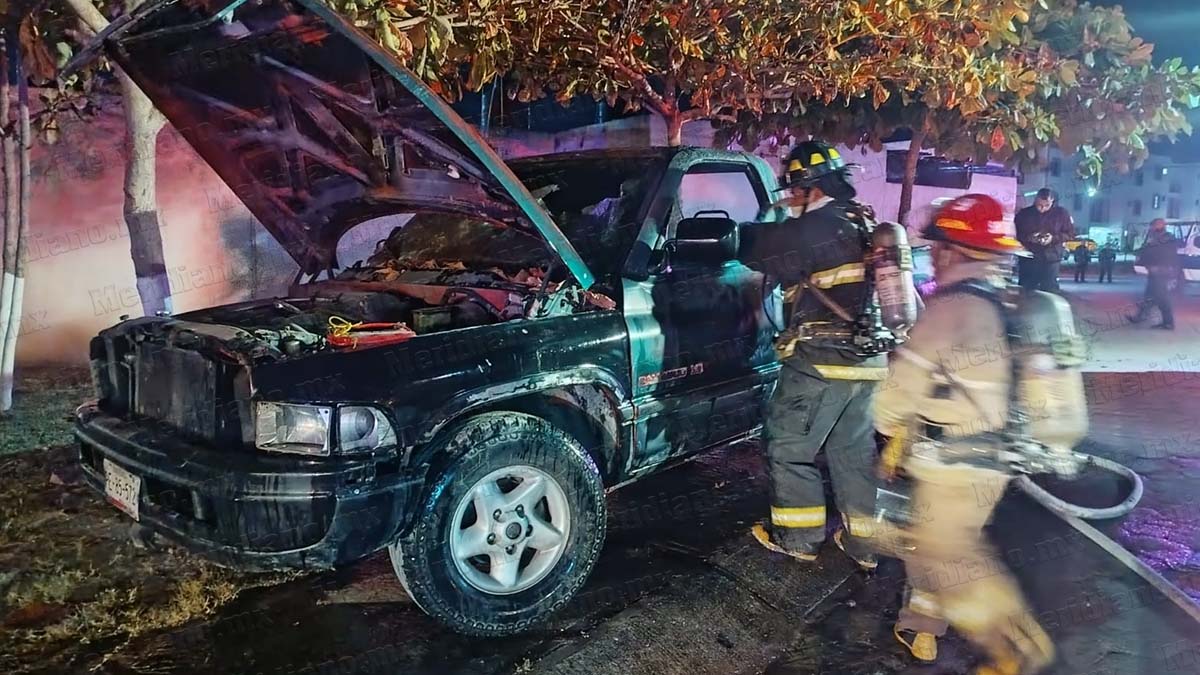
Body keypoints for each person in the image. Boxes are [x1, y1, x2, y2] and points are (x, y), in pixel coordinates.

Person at [875, 194, 1070, 675]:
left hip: (954, 465)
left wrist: (888, 428)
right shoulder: (1006, 302)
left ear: (951, 251)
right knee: (940, 542)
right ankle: (924, 623)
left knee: (949, 556)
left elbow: (893, 399)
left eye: (936, 248)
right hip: (993, 463)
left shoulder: (951, 309)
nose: (933, 257)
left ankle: (1016, 653)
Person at [738, 140, 894, 570]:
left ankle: (799, 537)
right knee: (853, 453)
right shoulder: (862, 221)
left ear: (812, 187)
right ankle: (863, 544)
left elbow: (753, 248)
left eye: (794, 190)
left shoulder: (814, 227)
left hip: (821, 362)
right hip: (867, 363)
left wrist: (763, 218)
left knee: (789, 445)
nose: (790, 197)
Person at [1014, 188, 1074, 292]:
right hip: (1029, 258)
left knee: (1049, 290)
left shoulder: (1061, 214)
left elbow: (1070, 234)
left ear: (1052, 201)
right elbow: (1016, 234)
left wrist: (1053, 238)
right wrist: (1029, 238)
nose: (1042, 208)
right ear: (1035, 200)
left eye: (1047, 205)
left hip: (1051, 259)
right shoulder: (1024, 214)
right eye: (1039, 205)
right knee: (1026, 290)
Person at [1127, 218, 1180, 330]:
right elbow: (1147, 251)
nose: (1151, 228)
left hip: (1161, 272)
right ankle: (1140, 316)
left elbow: (1163, 254)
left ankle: (1168, 322)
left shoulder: (1166, 239)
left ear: (1159, 225)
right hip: (1155, 272)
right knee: (1148, 296)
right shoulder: (1157, 238)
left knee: (1162, 297)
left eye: (1153, 226)